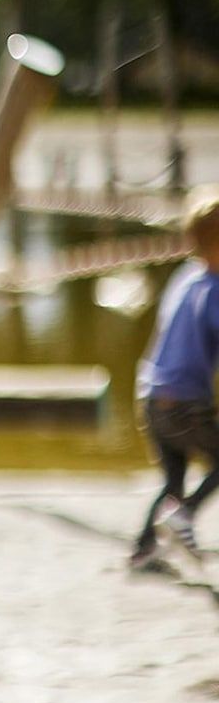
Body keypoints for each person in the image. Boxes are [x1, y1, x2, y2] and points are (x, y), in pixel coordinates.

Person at [129, 190, 219, 567]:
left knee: (173, 480)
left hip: (151, 395)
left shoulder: (185, 278)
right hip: (183, 401)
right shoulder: (215, 291)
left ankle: (144, 548)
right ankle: (185, 515)